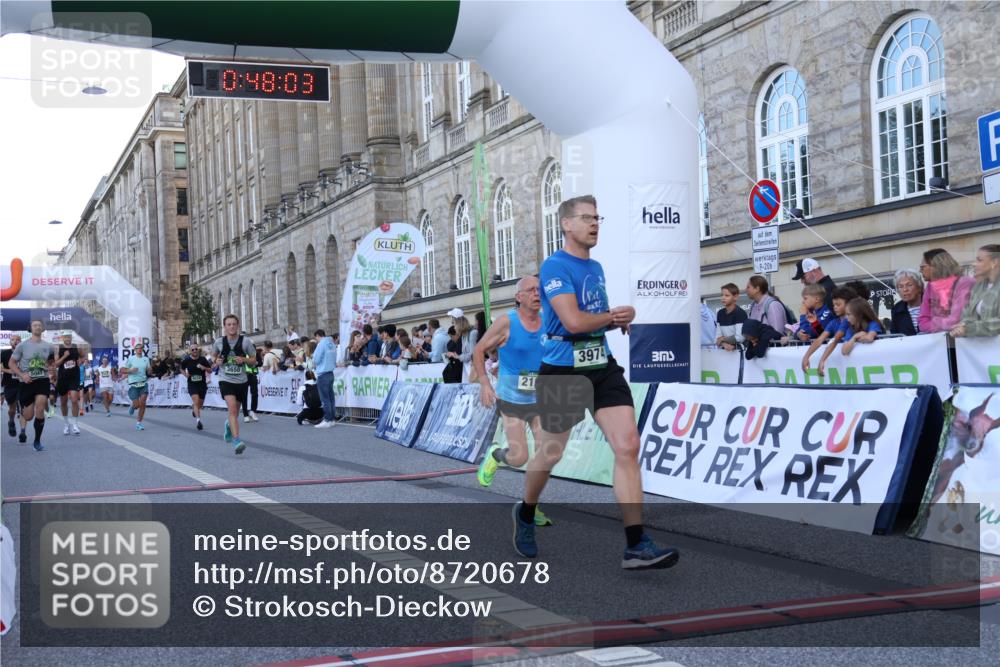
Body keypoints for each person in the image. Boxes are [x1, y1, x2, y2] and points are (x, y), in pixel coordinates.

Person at [521, 194, 678, 569]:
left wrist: (619, 318)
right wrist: (611, 317)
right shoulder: (554, 267)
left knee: (628, 445)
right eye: (587, 218)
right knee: (551, 453)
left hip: (600, 364)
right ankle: (526, 512)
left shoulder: (597, 267)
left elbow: (593, 318)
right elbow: (574, 322)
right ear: (566, 224)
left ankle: (636, 543)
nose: (595, 224)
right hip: (562, 368)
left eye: (598, 217)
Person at [472, 275, 555, 527]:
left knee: (545, 455)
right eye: (530, 290)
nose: (537, 294)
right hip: (512, 400)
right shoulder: (506, 322)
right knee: (519, 457)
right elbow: (479, 350)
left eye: (539, 290)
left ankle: (531, 507)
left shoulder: (548, 321)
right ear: (519, 297)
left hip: (540, 399)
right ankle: (496, 454)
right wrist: (485, 383)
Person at [212, 314, 257, 455]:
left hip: (241, 381)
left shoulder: (245, 342)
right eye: (228, 324)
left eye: (234, 324)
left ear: (238, 326)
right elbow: (213, 356)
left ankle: (228, 425)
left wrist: (243, 359)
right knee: (232, 410)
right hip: (225, 380)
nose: (231, 326)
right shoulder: (219, 342)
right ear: (224, 327)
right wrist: (216, 361)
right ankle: (237, 441)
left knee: (235, 413)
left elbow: (254, 360)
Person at [9, 321, 57, 450]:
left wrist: (52, 368)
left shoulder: (48, 346)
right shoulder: (22, 346)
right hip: (27, 382)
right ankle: (23, 416)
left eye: (40, 325)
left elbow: (51, 363)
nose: (38, 327)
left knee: (40, 408)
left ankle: (37, 441)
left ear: (43, 329)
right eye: (35, 325)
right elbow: (11, 363)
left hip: (42, 380)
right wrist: (21, 375)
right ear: (30, 328)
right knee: (29, 416)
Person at [801, 285, 859, 376]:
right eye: (834, 305)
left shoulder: (848, 321)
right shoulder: (833, 322)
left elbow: (835, 339)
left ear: (848, 304)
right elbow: (820, 339)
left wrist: (822, 360)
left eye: (838, 304)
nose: (835, 307)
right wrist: (806, 356)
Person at [918, 248, 974, 333]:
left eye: (923, 267)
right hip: (941, 341)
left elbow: (956, 320)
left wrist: (935, 320)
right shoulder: (930, 286)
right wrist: (943, 324)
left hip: (967, 341)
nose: (920, 271)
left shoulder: (964, 283)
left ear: (936, 266)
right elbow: (922, 323)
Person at [951, 244, 1000, 339]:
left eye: (979, 260)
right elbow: (967, 314)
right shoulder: (978, 286)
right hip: (982, 349)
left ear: (994, 262)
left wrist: (969, 328)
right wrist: (962, 325)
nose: (974, 264)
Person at [53, 333, 82, 436]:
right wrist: (64, 356)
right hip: (63, 378)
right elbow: (56, 364)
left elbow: (82, 358)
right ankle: (66, 424)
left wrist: (80, 361)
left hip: (74, 377)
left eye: (69, 337)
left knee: (74, 399)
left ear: (71, 338)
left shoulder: (76, 347)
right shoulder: (58, 348)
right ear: (63, 338)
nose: (67, 339)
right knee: (63, 401)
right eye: (65, 337)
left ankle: (75, 424)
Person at [121, 343, 152, 430]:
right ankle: (133, 406)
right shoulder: (131, 359)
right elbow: (122, 370)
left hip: (143, 383)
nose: (139, 349)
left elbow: (149, 371)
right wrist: (130, 370)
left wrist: (150, 370)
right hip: (133, 384)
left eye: (141, 348)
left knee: (143, 403)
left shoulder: (146, 359)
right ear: (135, 350)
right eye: (138, 348)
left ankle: (139, 422)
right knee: (137, 405)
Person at [181, 343, 211, 430]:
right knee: (196, 400)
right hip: (192, 384)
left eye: (196, 349)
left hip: (202, 384)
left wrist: (203, 368)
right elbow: (181, 368)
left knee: (199, 404)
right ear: (190, 351)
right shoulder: (187, 360)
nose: (194, 351)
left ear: (198, 350)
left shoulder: (203, 359)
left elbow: (210, 370)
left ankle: (194, 409)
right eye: (192, 349)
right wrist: (185, 374)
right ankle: (198, 421)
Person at [312, 329, 337, 429]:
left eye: (316, 338)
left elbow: (316, 359)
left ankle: (327, 419)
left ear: (318, 336)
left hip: (323, 373)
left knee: (325, 398)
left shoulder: (321, 344)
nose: (316, 340)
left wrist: (314, 362)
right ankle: (331, 419)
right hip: (331, 372)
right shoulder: (332, 343)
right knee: (331, 398)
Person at [890, 269, 924, 336]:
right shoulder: (896, 310)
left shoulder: (932, 303)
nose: (905, 289)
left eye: (909, 285)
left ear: (919, 287)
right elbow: (895, 336)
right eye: (900, 286)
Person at [715, 284, 746, 351]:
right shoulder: (720, 313)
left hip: (740, 352)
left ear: (735, 297)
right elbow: (717, 338)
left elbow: (740, 338)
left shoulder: (740, 313)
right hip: (724, 352)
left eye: (727, 295)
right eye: (722, 295)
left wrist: (723, 339)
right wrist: (724, 344)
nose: (723, 298)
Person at [2, 335, 21, 437]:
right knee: (12, 408)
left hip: (22, 383)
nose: (15, 341)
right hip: (9, 383)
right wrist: (8, 370)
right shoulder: (5, 353)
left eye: (18, 339)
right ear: (10, 342)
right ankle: (11, 421)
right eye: (13, 340)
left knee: (22, 403)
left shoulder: (24, 353)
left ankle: (22, 431)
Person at [242, 346, 261, 423]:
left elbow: (260, 362)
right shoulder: (242, 353)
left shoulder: (256, 353)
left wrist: (256, 363)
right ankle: (245, 415)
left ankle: (253, 411)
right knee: (244, 395)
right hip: (244, 376)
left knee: (255, 394)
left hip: (253, 375)